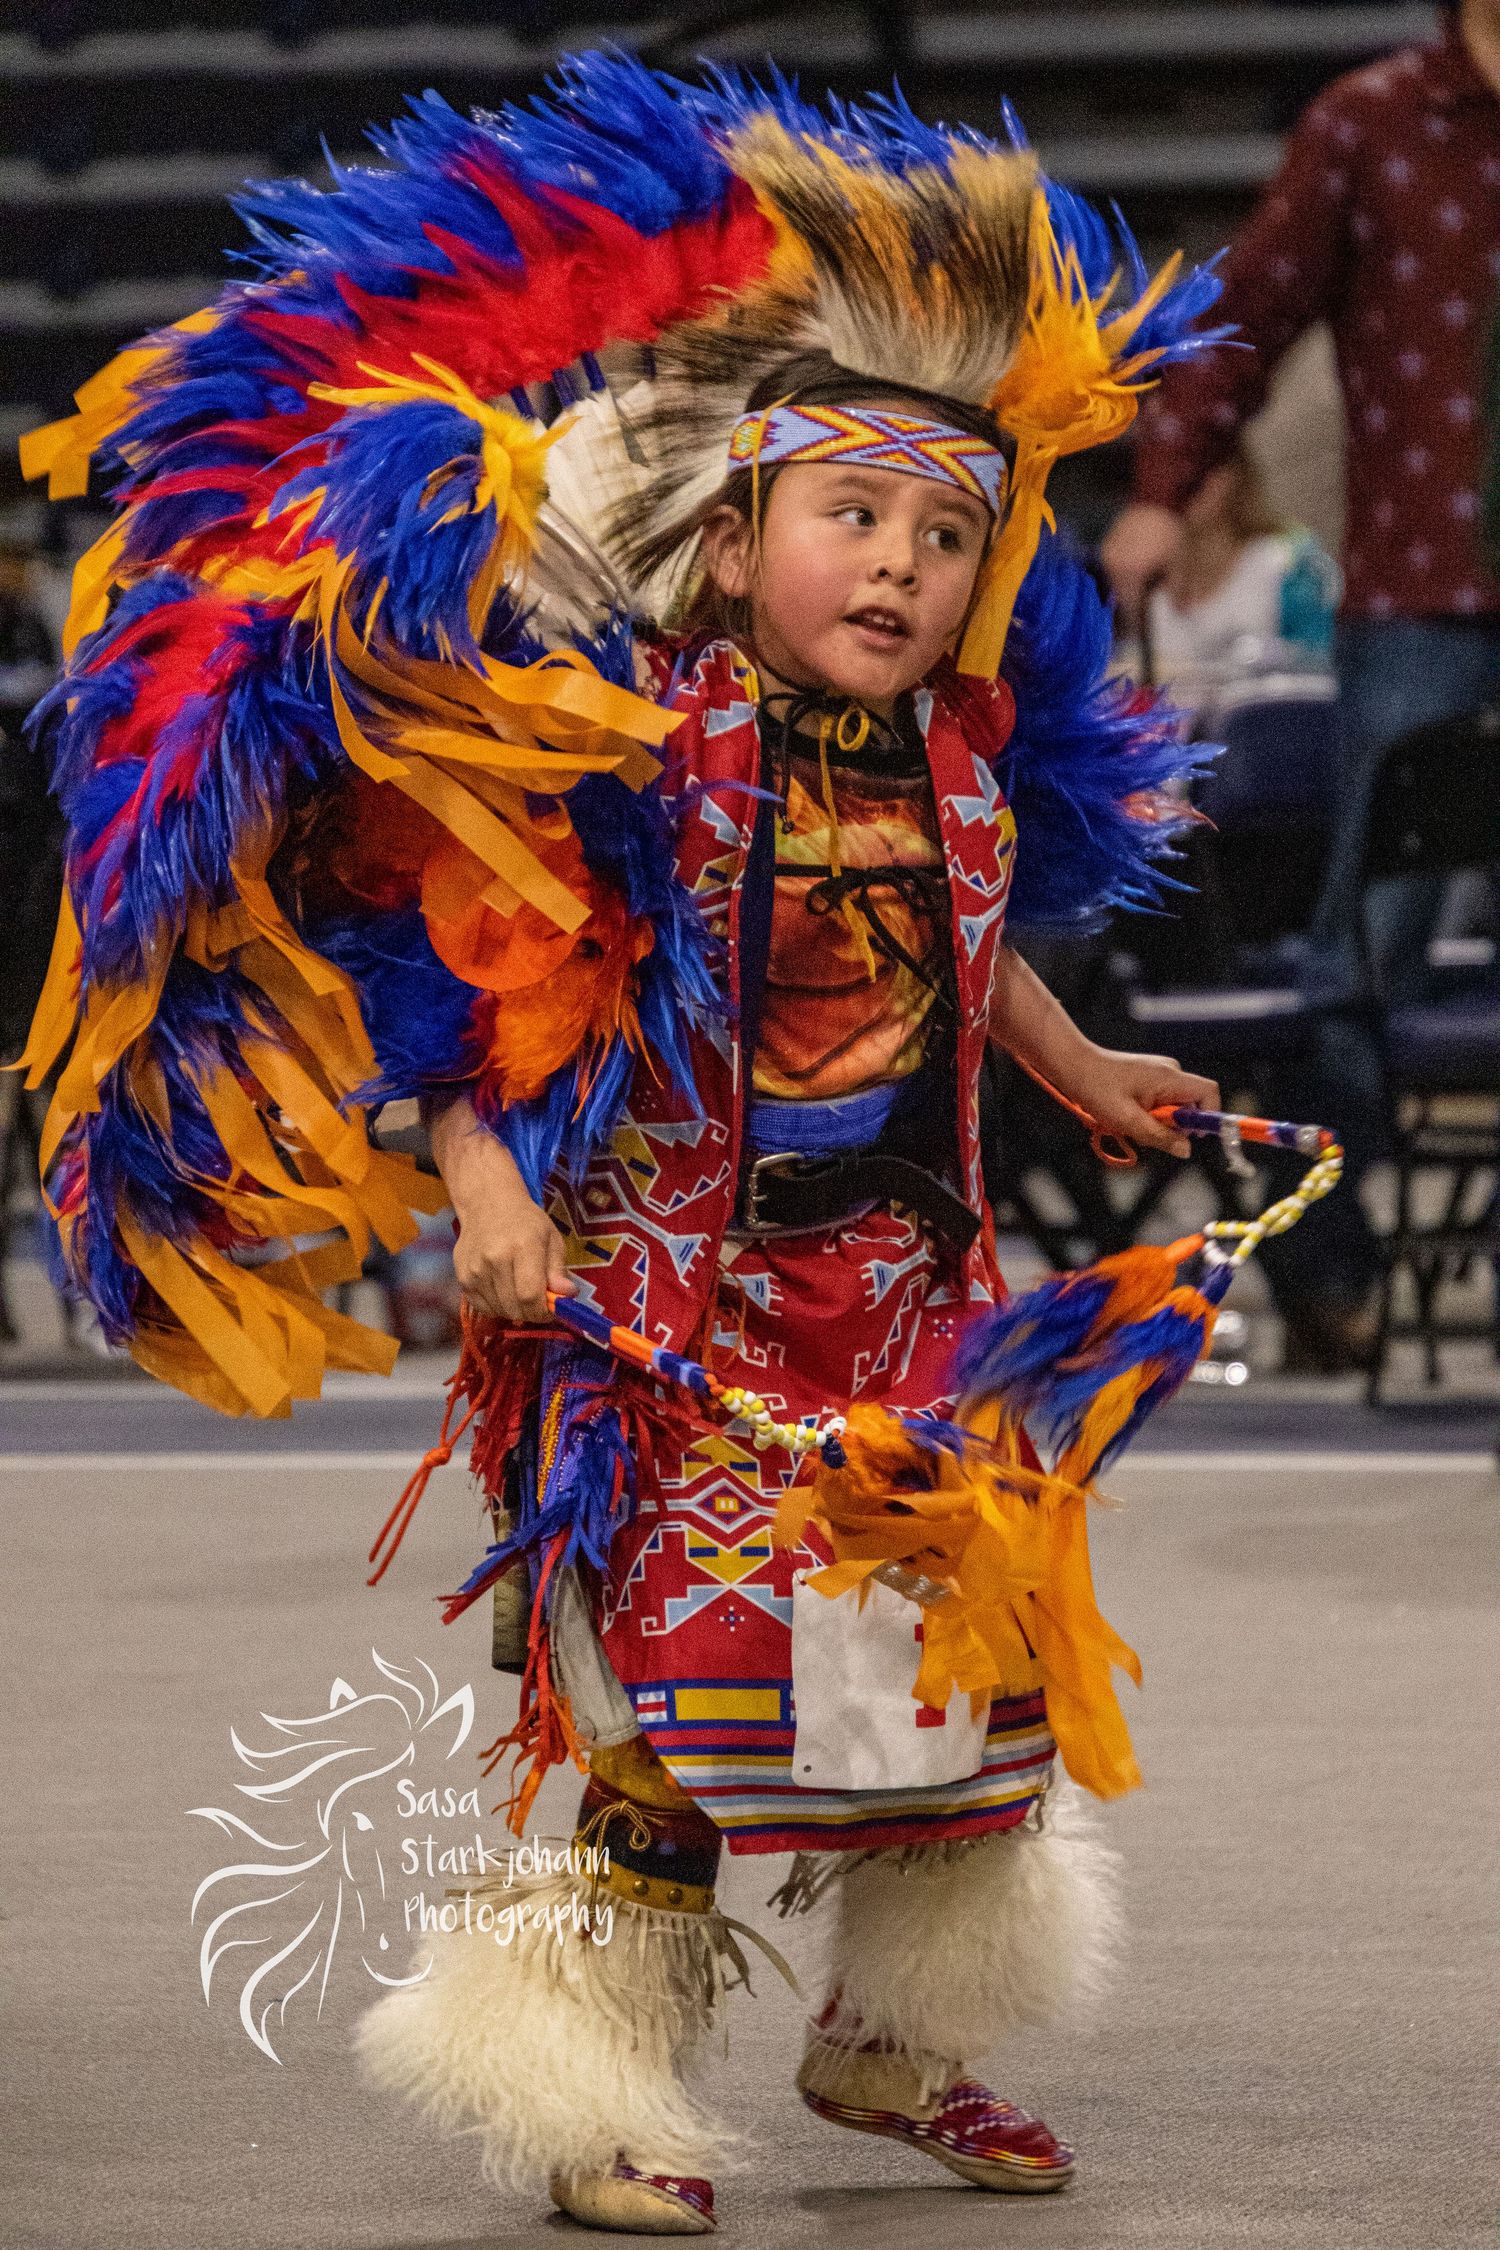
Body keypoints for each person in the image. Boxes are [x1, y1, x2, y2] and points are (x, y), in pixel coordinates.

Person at [16, 59, 1221, 2233]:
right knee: (670, 1710)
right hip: (670, 1310)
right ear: (737, 536)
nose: (903, 564)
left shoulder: (959, 767)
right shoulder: (635, 765)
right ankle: (590, 2098)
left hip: (911, 1307)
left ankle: (890, 2040)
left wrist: (1084, 1068)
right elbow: (477, 1011)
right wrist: (487, 1205)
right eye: (855, 516)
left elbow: (972, 962)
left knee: (949, 1684)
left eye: (947, 534)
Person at [1102, 0, 1500, 1369]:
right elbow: (1244, 315)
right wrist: (1166, 491)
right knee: (1363, 958)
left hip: (1426, 595)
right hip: (1424, 594)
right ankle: (1334, 1278)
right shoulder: (1374, 124)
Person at [1119, 444, 1338, 730]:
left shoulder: (1286, 561)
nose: (1189, 482)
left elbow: (1315, 675)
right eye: (1176, 473)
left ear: (1235, 477)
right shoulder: (1143, 564)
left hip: (1259, 739)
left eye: (1202, 470)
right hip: (1167, 743)